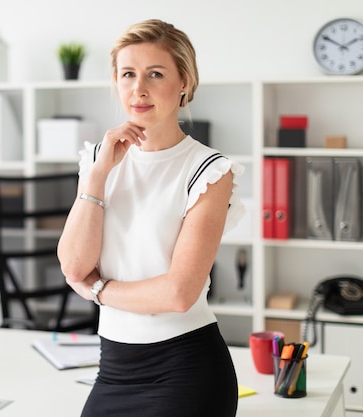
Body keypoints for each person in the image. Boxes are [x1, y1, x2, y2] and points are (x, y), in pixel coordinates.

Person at [57, 19, 244, 417]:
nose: (138, 89)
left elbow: (178, 294)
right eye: (128, 74)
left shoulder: (209, 170)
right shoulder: (96, 160)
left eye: (155, 74)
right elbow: (73, 265)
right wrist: (98, 174)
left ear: (184, 83)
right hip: (113, 369)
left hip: (186, 369)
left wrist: (98, 292)